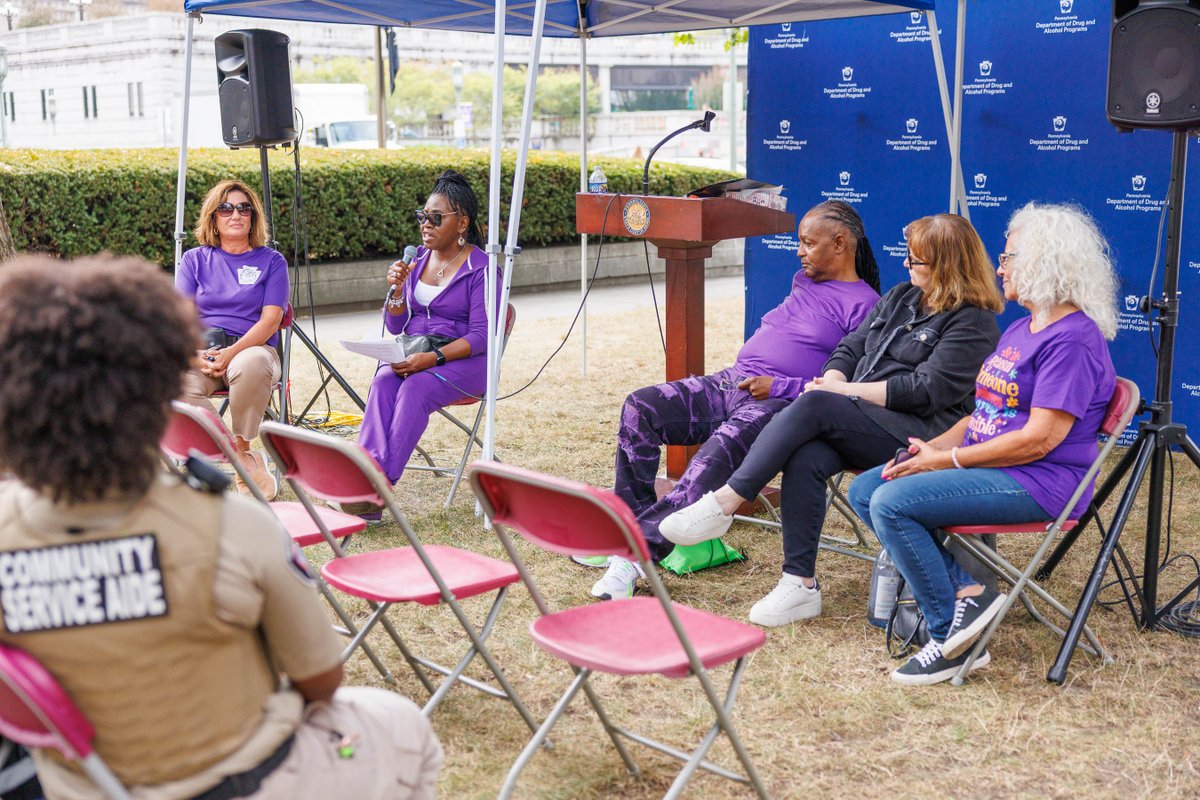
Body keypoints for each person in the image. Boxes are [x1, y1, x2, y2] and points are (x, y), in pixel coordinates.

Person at [0, 255, 443, 798]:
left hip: (80, 785)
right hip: (244, 780)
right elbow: (321, 681)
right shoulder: (237, 524)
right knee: (398, 722)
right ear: (157, 389)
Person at [660, 213, 1005, 627]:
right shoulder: (901, 298)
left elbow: (925, 391)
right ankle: (799, 584)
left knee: (815, 405)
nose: (907, 266)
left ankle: (725, 502)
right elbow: (850, 347)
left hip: (923, 434)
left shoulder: (973, 321)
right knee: (807, 453)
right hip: (864, 416)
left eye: (917, 261)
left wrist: (842, 392)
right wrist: (837, 377)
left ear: (948, 266)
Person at [847, 203, 1118, 685]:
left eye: (1009, 257)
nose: (999, 267)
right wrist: (928, 454)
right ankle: (969, 595)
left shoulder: (1072, 341)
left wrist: (947, 459)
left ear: (1043, 263)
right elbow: (983, 416)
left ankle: (946, 635)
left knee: (890, 503)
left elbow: (1038, 440)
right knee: (870, 488)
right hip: (991, 466)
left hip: (1042, 481)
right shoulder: (1022, 327)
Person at [588, 201, 882, 600]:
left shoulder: (865, 306)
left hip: (774, 403)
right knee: (641, 407)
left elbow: (849, 389)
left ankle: (634, 557)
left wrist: (777, 387)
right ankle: (633, 531)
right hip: (731, 382)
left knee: (709, 461)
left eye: (808, 243)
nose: (800, 251)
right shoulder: (805, 280)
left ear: (840, 243)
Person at [352, 170, 496, 520]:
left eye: (436, 218)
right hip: (416, 351)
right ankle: (361, 477)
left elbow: (481, 336)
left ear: (462, 223)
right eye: (422, 216)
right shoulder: (416, 261)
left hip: (465, 360)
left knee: (415, 387)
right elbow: (396, 325)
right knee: (384, 380)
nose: (425, 225)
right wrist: (398, 293)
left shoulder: (482, 267)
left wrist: (431, 359)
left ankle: (378, 490)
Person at [177, 179, 289, 502]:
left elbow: (271, 320)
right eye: (225, 208)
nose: (235, 214)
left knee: (250, 363)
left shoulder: (272, 261)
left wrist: (232, 352)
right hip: (203, 352)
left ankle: (243, 447)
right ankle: (241, 461)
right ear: (213, 217)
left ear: (253, 217)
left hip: (253, 348)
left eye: (244, 208)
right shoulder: (194, 260)